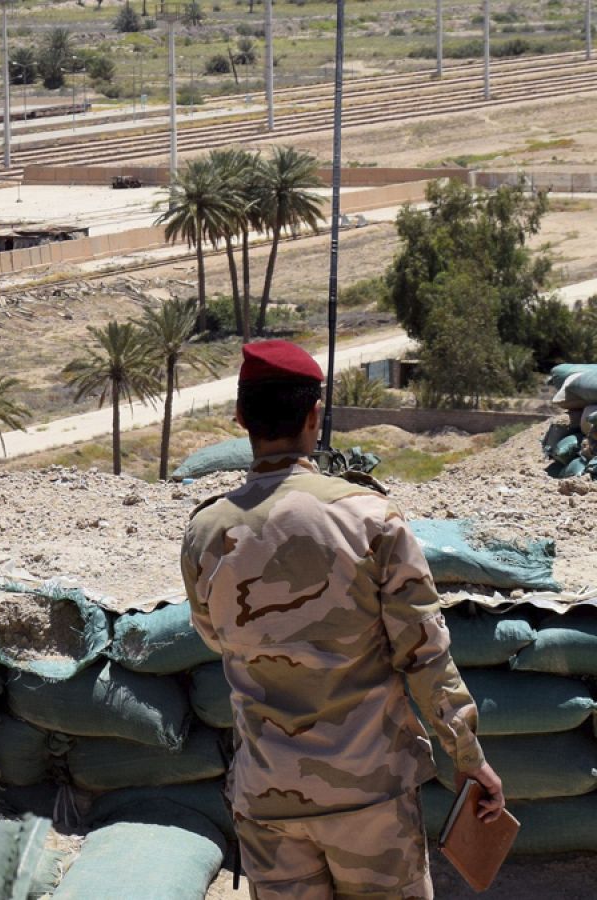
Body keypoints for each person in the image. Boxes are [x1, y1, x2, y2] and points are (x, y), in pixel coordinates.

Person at [180, 340, 504, 899]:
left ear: (240, 418)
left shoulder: (205, 533)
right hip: (369, 799)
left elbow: (215, 637)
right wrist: (468, 757)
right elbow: (424, 653)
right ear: (314, 416)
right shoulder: (369, 519)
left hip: (267, 796)